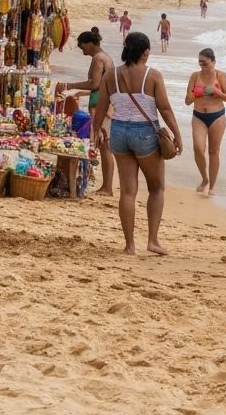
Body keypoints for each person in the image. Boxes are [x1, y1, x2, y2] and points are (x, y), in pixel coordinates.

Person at [91, 31, 183, 255]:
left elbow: (102, 107)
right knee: (156, 187)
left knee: (128, 191)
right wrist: (177, 134)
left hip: (119, 131)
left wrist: (96, 132)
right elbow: (165, 108)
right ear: (146, 52)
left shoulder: (110, 75)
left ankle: (129, 245)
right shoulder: (152, 75)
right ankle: (152, 240)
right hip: (145, 133)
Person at [60, 29, 116, 196]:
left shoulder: (98, 59)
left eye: (81, 45)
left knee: (105, 145)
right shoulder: (106, 57)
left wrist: (69, 86)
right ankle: (105, 185)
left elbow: (95, 83)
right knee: (104, 145)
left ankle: (107, 187)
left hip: (102, 106)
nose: (81, 48)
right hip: (105, 104)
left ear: (89, 43)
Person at [184, 47, 226, 195]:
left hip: (217, 116)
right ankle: (204, 178)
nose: (202, 65)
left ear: (213, 61)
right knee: (198, 148)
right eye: (200, 62)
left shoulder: (221, 76)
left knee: (213, 151)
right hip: (199, 116)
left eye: (205, 63)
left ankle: (212, 186)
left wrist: (216, 92)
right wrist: (199, 93)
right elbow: (187, 101)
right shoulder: (194, 76)